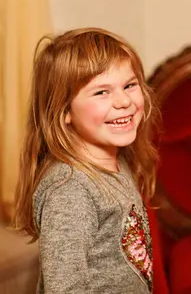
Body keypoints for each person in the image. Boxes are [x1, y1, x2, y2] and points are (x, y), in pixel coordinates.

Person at [13, 27, 162, 293]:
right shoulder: (70, 189)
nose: (123, 101)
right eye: (101, 92)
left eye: (129, 85)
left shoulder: (118, 161)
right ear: (64, 109)